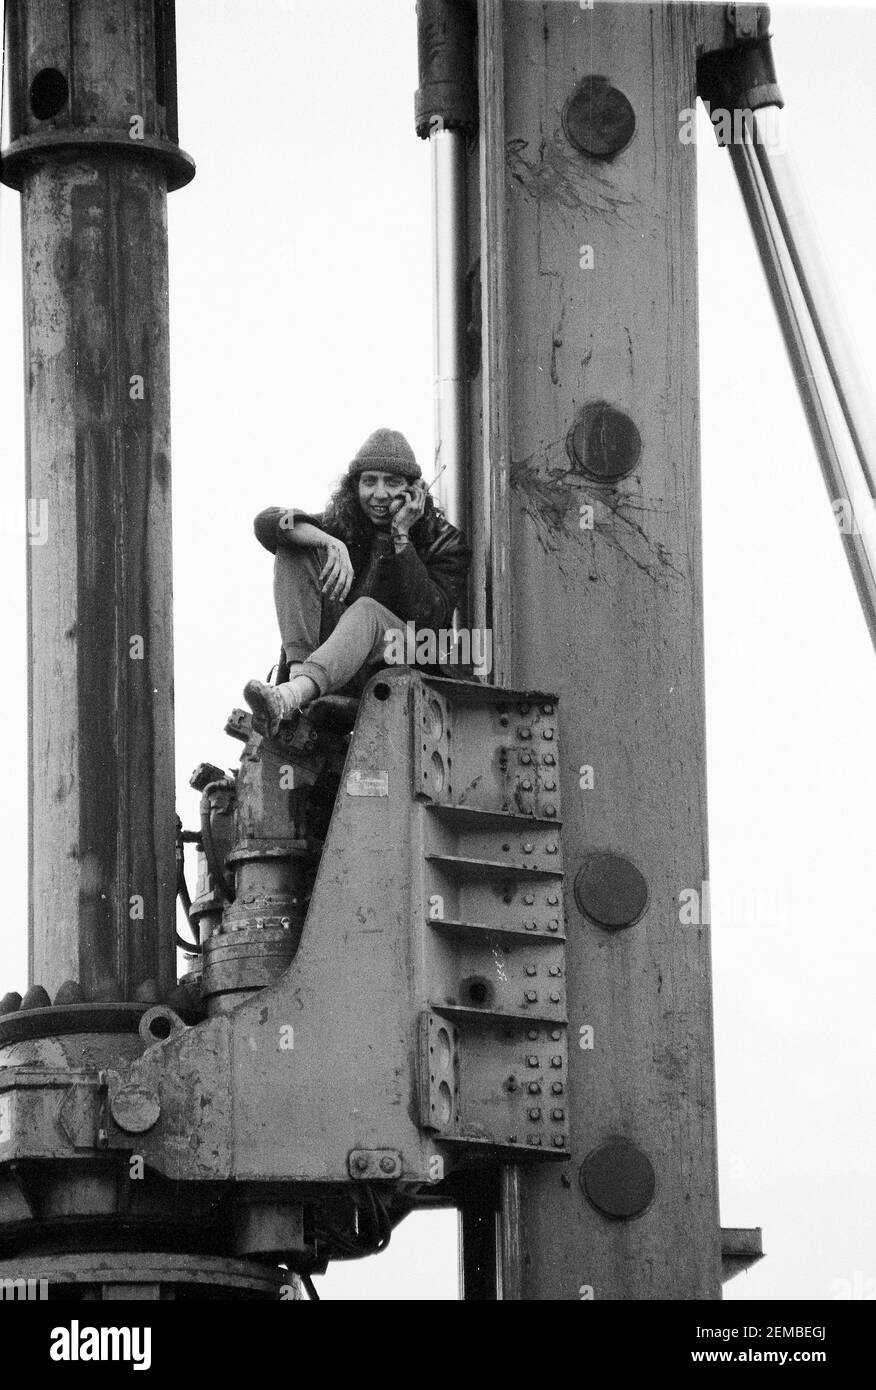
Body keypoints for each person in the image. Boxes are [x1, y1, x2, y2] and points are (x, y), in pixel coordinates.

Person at [243, 428, 471, 737]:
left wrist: (400, 536)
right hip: (336, 665)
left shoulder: (447, 541)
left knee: (367, 611)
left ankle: (291, 695)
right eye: (369, 481)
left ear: (415, 490)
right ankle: (296, 684)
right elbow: (269, 522)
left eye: (392, 482)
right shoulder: (343, 523)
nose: (379, 494)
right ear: (355, 486)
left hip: (402, 664)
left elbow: (430, 620)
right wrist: (328, 542)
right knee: (293, 547)